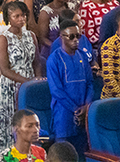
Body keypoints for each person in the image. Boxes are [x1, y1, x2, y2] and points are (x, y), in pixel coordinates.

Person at [0, 1, 38, 152]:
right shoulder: (3, 38)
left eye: (23, 15)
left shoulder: (31, 35)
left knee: (28, 125)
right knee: (10, 128)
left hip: (29, 86)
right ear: (9, 18)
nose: (21, 19)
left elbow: (37, 62)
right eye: (16, 16)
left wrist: (37, 81)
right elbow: (5, 69)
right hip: (10, 88)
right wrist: (27, 82)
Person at [46, 20, 92, 153]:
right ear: (61, 37)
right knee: (63, 155)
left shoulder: (82, 56)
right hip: (63, 115)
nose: (76, 40)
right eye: (71, 36)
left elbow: (90, 83)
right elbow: (56, 91)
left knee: (82, 153)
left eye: (78, 36)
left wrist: (86, 107)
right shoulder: (54, 59)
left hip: (83, 116)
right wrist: (76, 110)